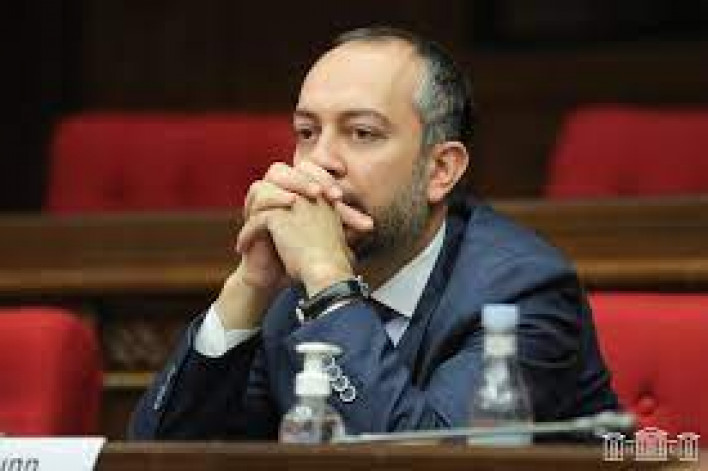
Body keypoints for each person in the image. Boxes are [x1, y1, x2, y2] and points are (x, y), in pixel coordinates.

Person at [129, 27, 618, 440]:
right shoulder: (292, 293)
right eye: (307, 132)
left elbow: (431, 461)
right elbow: (157, 456)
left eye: (361, 133)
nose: (321, 160)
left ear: (440, 170)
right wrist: (248, 287)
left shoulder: (521, 291)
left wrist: (329, 282)